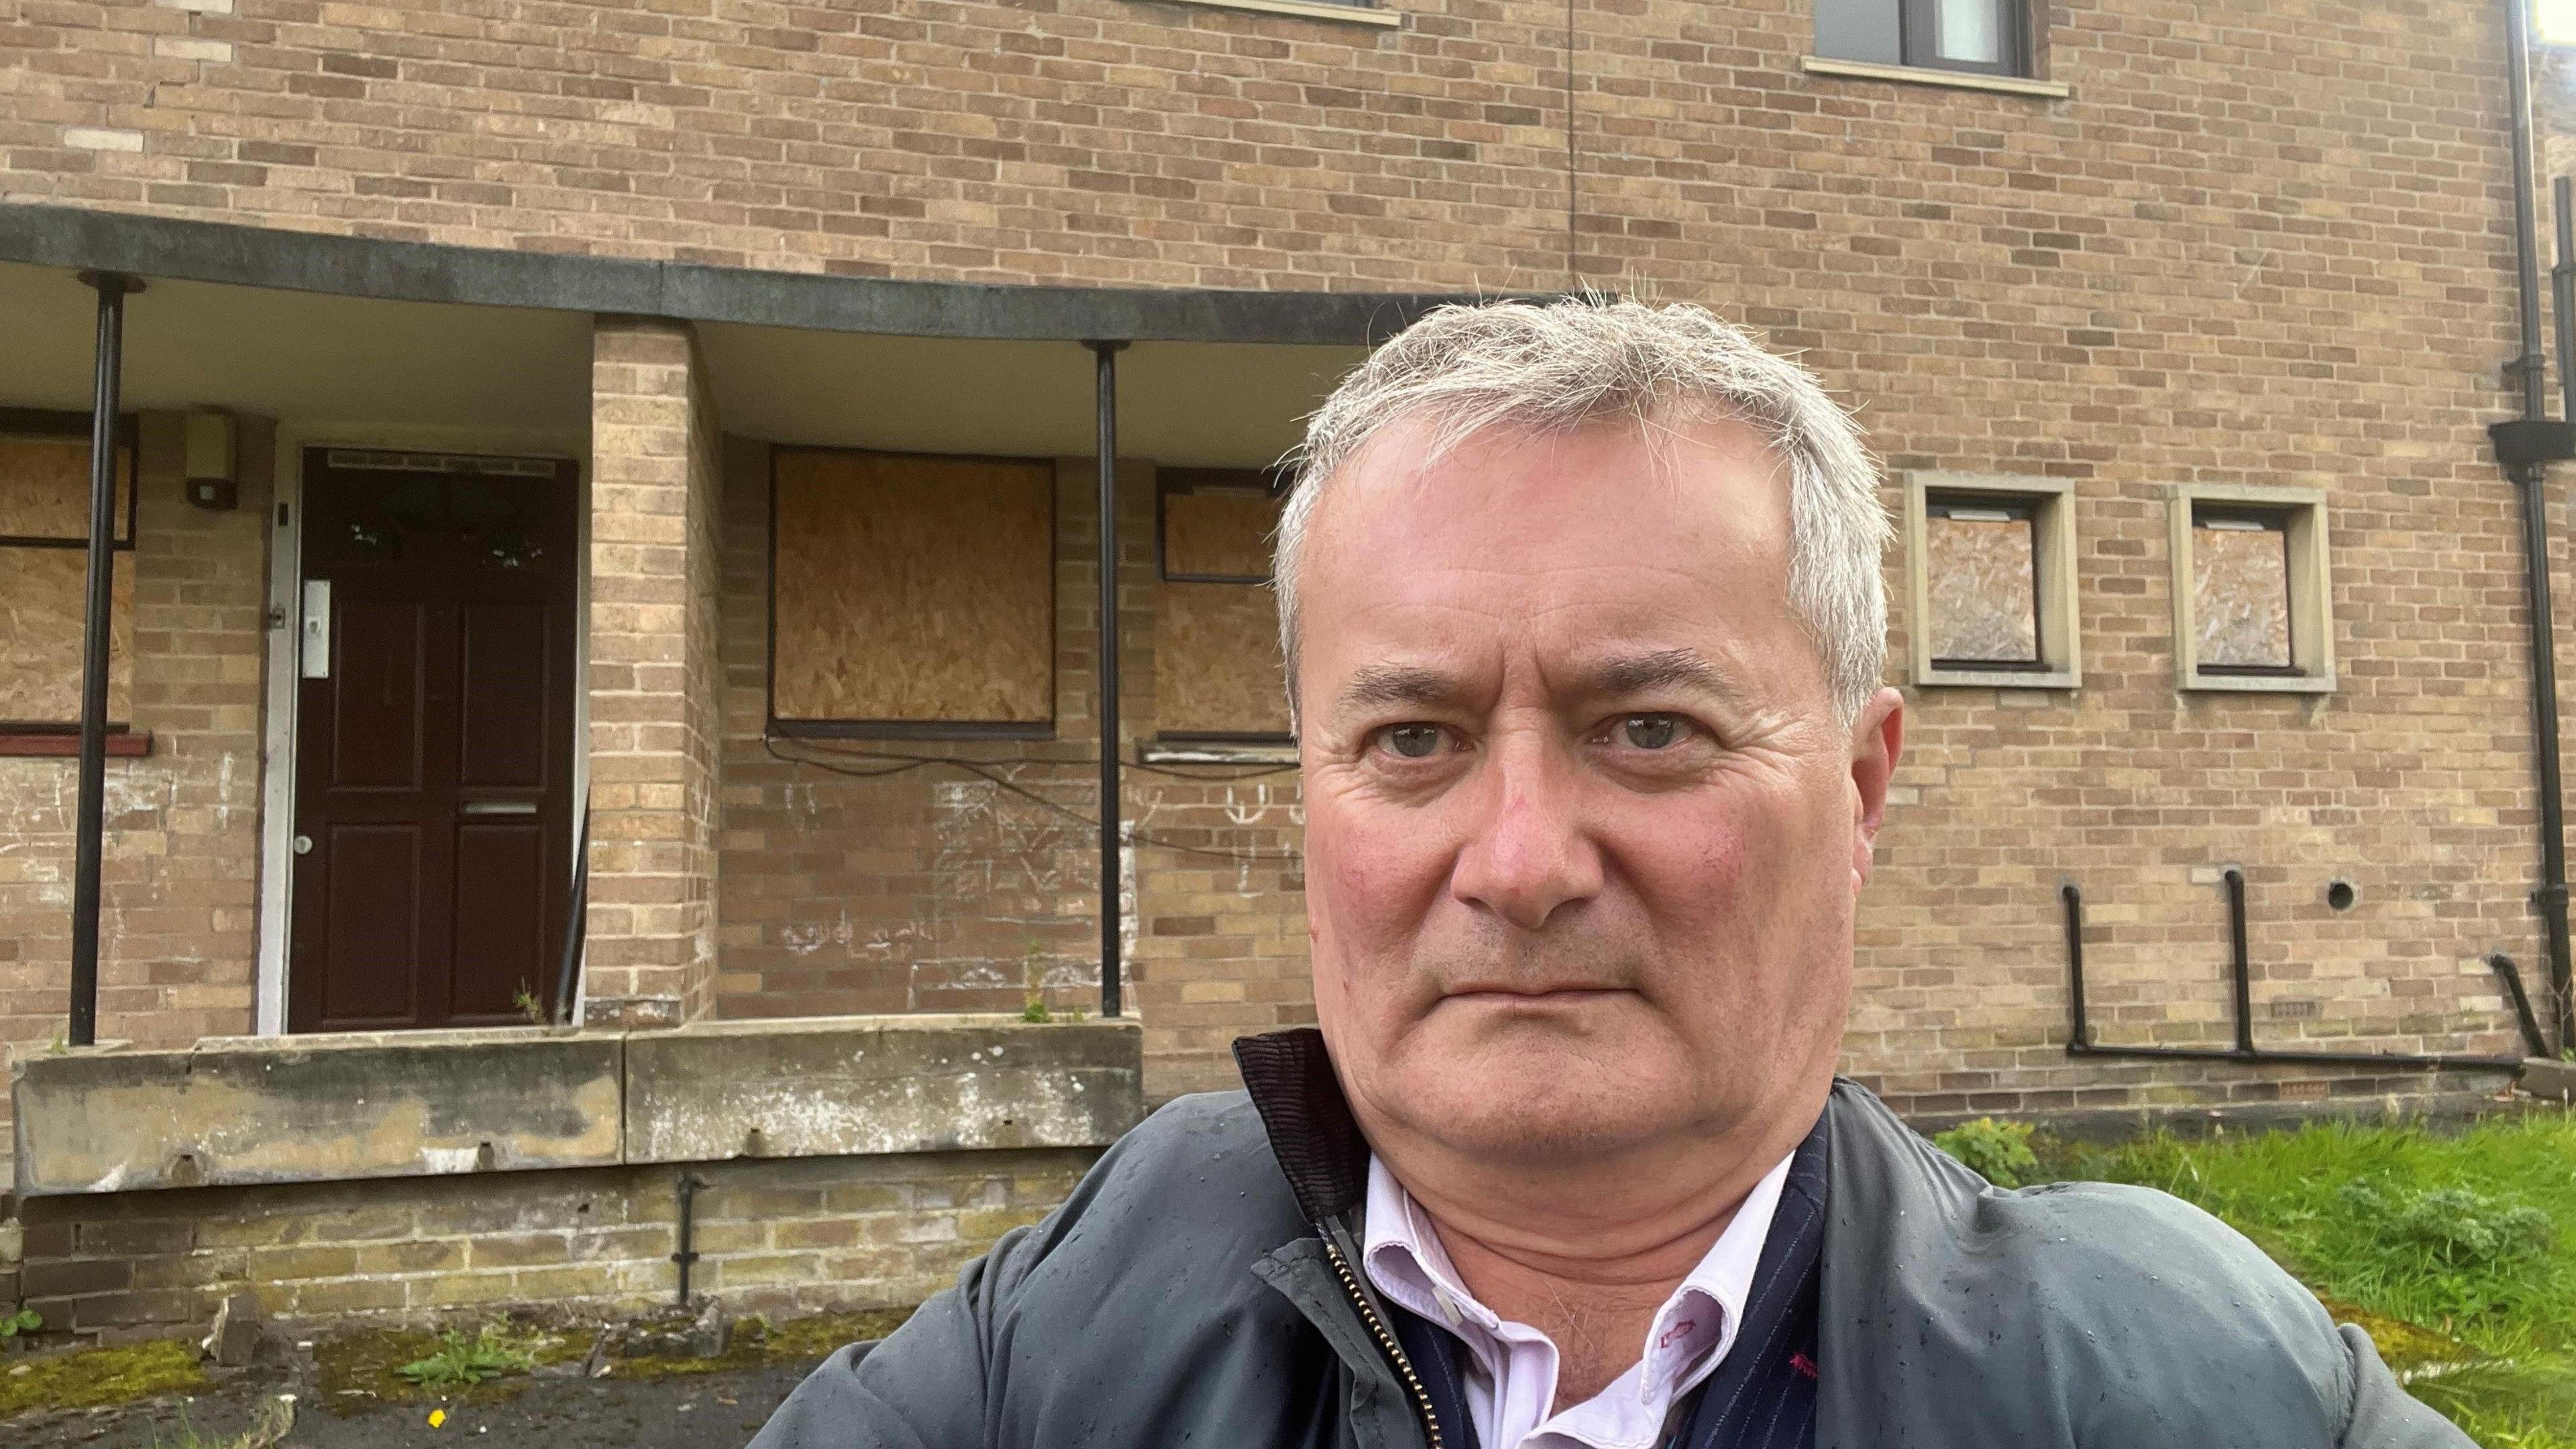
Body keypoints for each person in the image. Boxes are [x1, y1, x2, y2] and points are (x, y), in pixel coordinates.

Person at [749, 299, 2470, 1449]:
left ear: (1863, 792)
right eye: (1411, 739)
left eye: (1646, 730)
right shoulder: (1065, 1337)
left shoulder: (2179, 1385)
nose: (1516, 865)